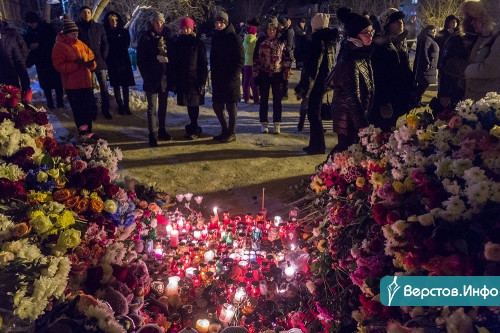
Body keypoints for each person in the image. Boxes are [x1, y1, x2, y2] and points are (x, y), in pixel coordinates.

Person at [329, 12, 374, 154]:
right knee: (344, 155)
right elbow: (351, 96)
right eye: (366, 33)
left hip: (355, 116)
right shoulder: (349, 59)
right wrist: (361, 124)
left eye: (371, 31)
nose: (370, 35)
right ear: (355, 35)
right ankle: (321, 175)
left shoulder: (361, 53)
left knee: (349, 155)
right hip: (347, 118)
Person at [294, 12, 337, 155]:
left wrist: (304, 88)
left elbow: (313, 68)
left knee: (313, 114)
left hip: (317, 83)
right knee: (314, 114)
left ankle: (317, 146)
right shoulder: (328, 40)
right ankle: (316, 144)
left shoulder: (317, 42)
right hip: (323, 82)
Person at [52, 18, 97, 142]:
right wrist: (76, 64)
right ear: (66, 33)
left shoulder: (79, 43)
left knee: (87, 109)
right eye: (73, 33)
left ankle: (89, 132)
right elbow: (58, 65)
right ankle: (83, 132)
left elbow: (91, 55)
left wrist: (91, 64)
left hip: (86, 82)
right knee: (79, 110)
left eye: (76, 33)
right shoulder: (59, 46)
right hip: (73, 84)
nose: (76, 35)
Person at [370, 8, 413, 132]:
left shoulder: (398, 42)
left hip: (398, 96)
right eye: (396, 21)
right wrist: (384, 102)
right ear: (387, 25)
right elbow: (379, 75)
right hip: (386, 100)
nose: (401, 23)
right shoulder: (381, 45)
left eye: (401, 20)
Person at [137, 12, 173, 147]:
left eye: (161, 22)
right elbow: (141, 59)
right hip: (151, 77)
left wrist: (168, 62)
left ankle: (162, 130)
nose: (159, 24)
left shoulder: (168, 37)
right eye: (156, 22)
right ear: (152, 23)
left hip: (164, 77)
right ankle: (152, 133)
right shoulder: (146, 38)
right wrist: (147, 72)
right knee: (152, 107)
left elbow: (174, 55)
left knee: (163, 106)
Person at [171, 17, 208, 140]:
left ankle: (194, 126)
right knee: (189, 104)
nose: (185, 30)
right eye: (183, 28)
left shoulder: (197, 43)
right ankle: (192, 126)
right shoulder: (177, 43)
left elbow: (203, 63)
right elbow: (174, 62)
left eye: (187, 28)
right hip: (183, 79)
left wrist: (202, 81)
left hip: (194, 79)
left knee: (194, 104)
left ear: (191, 29)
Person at [210, 11, 244, 143]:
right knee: (217, 106)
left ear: (225, 22)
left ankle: (231, 132)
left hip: (230, 78)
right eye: (217, 22)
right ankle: (225, 130)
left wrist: (235, 75)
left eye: (221, 22)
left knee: (231, 107)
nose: (218, 25)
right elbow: (213, 58)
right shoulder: (215, 37)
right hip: (218, 78)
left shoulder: (234, 37)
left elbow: (240, 59)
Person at [254, 18, 291, 135]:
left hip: (277, 74)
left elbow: (286, 58)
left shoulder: (281, 43)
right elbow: (256, 60)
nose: (271, 31)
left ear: (276, 30)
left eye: (273, 29)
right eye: (269, 29)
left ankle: (277, 123)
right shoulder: (261, 42)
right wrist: (256, 74)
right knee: (263, 99)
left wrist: (286, 73)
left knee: (277, 100)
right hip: (264, 73)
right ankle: (264, 122)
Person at [24, 11, 63, 110]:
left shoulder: (47, 27)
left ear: (36, 21)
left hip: (51, 59)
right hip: (40, 61)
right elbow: (26, 43)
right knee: (45, 84)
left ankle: (60, 102)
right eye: (29, 23)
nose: (31, 25)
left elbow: (54, 41)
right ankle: (50, 103)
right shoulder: (29, 31)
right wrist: (30, 47)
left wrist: (39, 44)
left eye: (32, 22)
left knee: (57, 82)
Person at [77, 6, 111, 119]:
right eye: (84, 12)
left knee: (104, 87)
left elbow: (105, 42)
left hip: (99, 61)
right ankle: (92, 110)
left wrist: (103, 56)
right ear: (80, 14)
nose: (86, 14)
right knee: (89, 88)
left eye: (88, 12)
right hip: (85, 62)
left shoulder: (98, 27)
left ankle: (106, 109)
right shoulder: (77, 28)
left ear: (91, 14)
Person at [462, 1, 500, 101]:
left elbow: (491, 69)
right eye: (470, 19)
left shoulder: (496, 38)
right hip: (477, 99)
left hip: (488, 103)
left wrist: (467, 69)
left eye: (475, 19)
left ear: (485, 19)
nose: (472, 22)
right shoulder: (482, 38)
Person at [103, 11, 135, 115]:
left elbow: (125, 44)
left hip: (123, 61)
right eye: (111, 20)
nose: (114, 22)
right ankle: (120, 105)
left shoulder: (124, 32)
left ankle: (127, 105)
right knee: (116, 85)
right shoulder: (106, 33)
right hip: (112, 62)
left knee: (125, 85)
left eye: (116, 19)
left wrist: (115, 44)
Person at [0, 14, 31, 102]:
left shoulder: (11, 34)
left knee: (15, 105)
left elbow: (20, 57)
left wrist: (26, 85)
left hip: (11, 77)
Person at [412, 25, 439, 108]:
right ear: (430, 30)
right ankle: (415, 101)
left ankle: (417, 101)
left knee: (423, 84)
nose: (435, 32)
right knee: (423, 84)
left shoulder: (428, 38)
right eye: (434, 30)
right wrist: (427, 62)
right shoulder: (427, 38)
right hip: (426, 67)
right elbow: (424, 50)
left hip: (428, 66)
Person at [278, 17, 294, 100]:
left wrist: (282, 47)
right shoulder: (285, 31)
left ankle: (285, 93)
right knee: (282, 75)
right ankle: (282, 92)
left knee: (285, 75)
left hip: (286, 56)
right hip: (284, 56)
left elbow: (289, 45)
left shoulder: (288, 32)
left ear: (281, 24)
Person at [242, 25, 259, 104]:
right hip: (254, 63)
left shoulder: (245, 40)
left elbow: (243, 51)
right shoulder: (256, 40)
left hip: (246, 63)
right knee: (254, 82)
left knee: (246, 82)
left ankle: (246, 98)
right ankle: (256, 99)